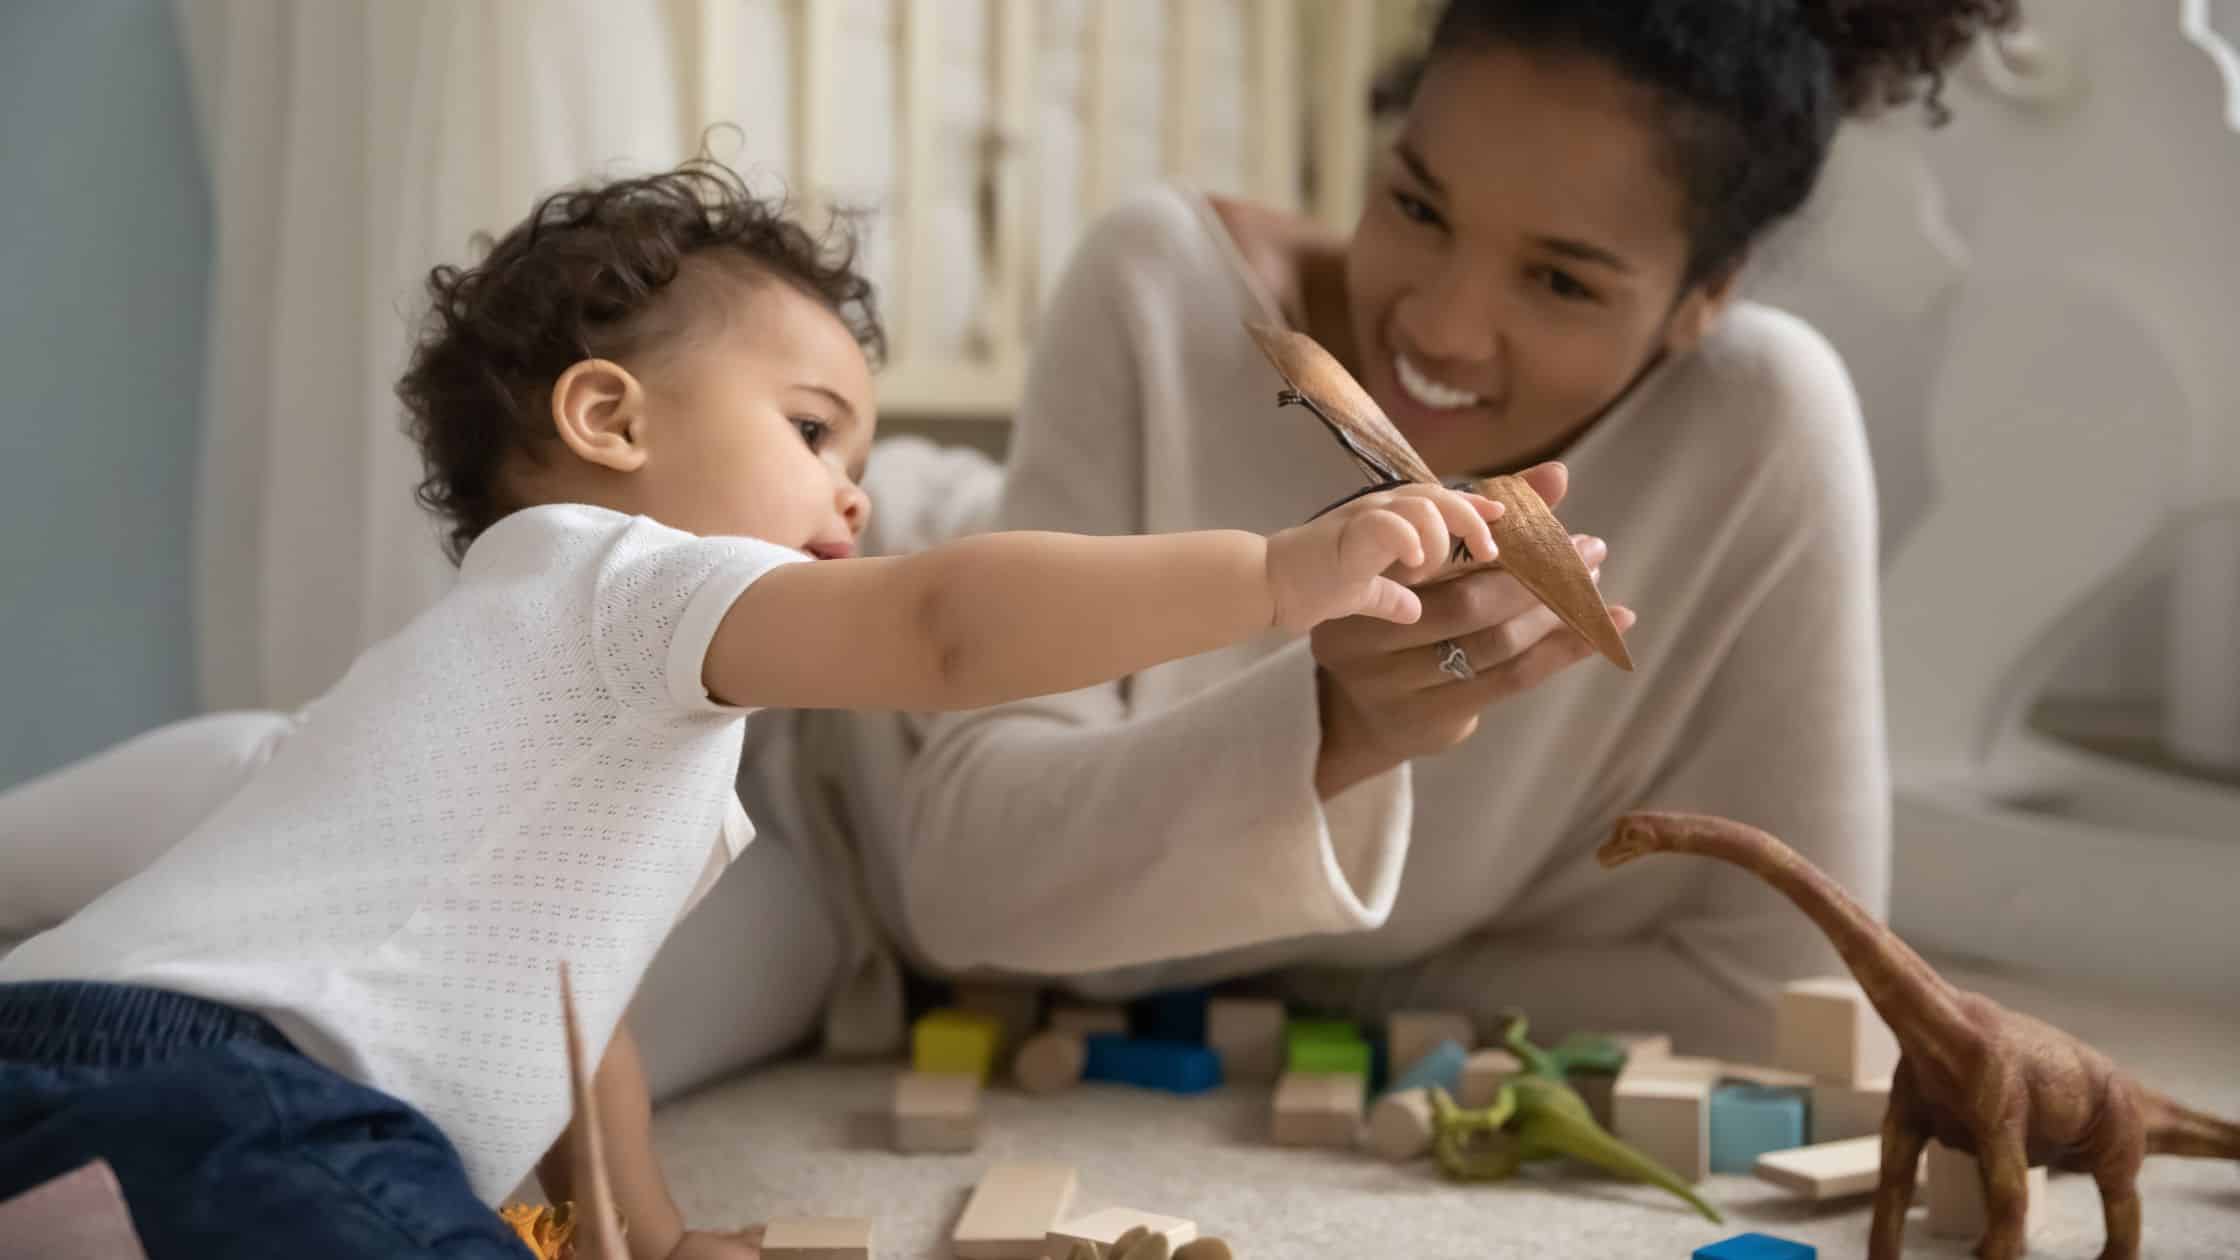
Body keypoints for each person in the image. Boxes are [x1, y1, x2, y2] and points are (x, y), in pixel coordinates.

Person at [0, 159, 1502, 1259]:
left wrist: (645, 1236)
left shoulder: (505, 686)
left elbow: (581, 1028)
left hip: (75, 1063)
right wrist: (1274, 574)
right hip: (244, 1090)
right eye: (811, 429)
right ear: (609, 419)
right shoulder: (634, 586)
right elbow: (947, 626)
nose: (856, 487)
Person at [827, 0, 2020, 1061]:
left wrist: (1285, 952)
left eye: (1559, 282)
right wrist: (1325, 736)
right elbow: (967, 894)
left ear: (1702, 298)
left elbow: (1781, 996)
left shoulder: (1756, 418)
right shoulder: (1162, 289)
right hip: (827, 692)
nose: (1440, 330)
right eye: (1414, 204)